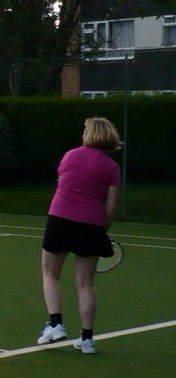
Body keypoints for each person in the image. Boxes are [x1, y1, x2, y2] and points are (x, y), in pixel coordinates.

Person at [36, 116, 122, 354]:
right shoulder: (112, 168)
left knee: (50, 274)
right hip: (91, 226)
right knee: (85, 285)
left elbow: (64, 184)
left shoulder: (70, 155)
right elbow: (111, 208)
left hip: (60, 220)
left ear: (91, 133)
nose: (83, 132)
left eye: (85, 129)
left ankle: (55, 325)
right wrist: (99, 230)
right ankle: (87, 340)